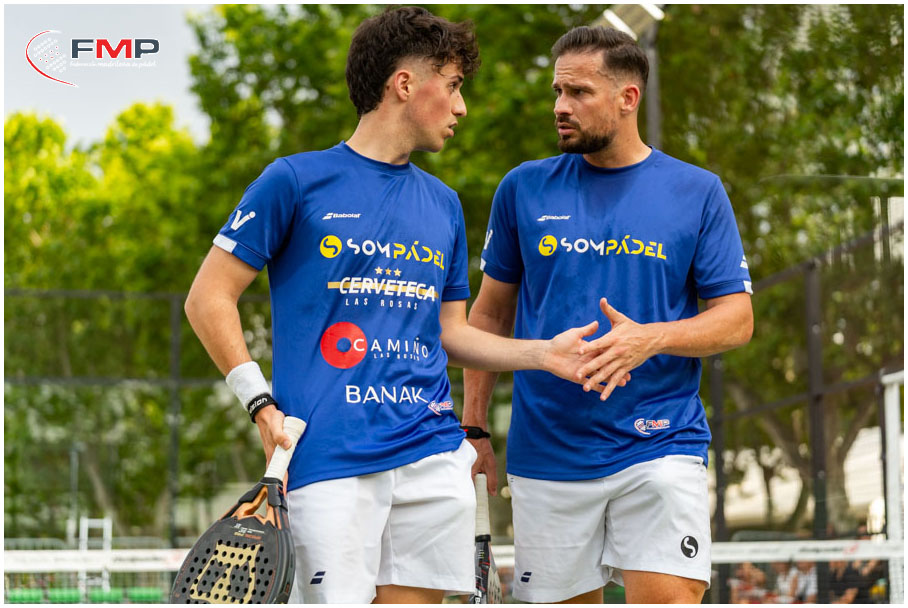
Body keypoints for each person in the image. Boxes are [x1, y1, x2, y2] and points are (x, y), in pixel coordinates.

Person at [184, 7, 615, 605]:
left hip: (431, 454)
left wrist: (544, 354)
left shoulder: (444, 204)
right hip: (329, 457)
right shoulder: (294, 181)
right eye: (454, 85)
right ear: (405, 84)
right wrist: (260, 404)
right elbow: (207, 298)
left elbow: (451, 333)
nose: (462, 107)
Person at [462, 25, 754, 604]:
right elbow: (489, 317)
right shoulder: (522, 189)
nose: (560, 106)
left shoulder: (697, 191)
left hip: (660, 442)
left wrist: (651, 339)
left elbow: (737, 319)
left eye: (578, 92)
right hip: (548, 452)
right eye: (557, 91)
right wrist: (473, 428)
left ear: (628, 98)